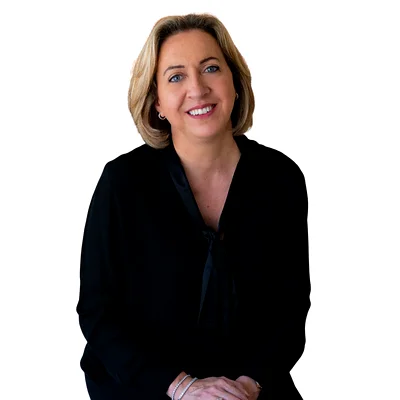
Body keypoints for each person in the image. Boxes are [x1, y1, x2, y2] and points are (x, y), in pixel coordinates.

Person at [77, 12, 311, 400]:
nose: (197, 88)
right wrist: (184, 388)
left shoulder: (280, 178)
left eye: (211, 68)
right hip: (146, 383)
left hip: (248, 384)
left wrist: (247, 384)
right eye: (176, 77)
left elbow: (290, 308)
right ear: (157, 102)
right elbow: (98, 313)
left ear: (235, 82)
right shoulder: (122, 182)